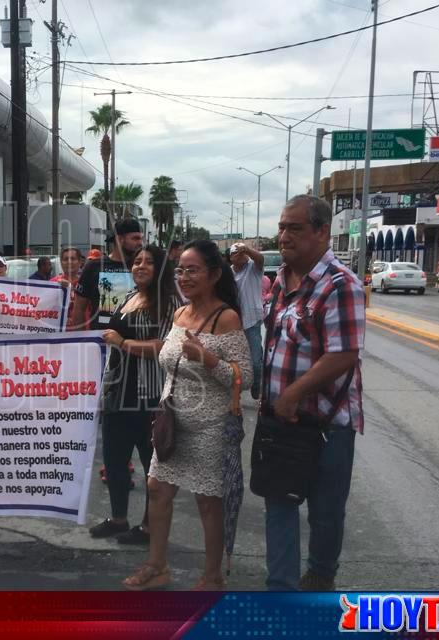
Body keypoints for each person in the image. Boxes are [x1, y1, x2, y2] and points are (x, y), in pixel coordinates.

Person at [123, 240, 252, 591]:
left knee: (208, 503)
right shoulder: (180, 314)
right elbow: (168, 361)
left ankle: (211, 578)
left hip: (210, 427)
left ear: (214, 274)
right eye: (180, 269)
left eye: (192, 269)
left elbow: (245, 377)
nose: (184, 276)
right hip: (172, 425)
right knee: (157, 489)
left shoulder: (226, 317)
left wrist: (208, 359)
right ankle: (156, 565)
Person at [263, 195, 364, 591]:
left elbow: (343, 355)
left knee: (324, 513)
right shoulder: (282, 280)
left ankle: (320, 578)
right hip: (281, 421)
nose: (284, 235)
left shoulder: (340, 285)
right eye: (282, 227)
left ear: (323, 232)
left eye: (295, 228)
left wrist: (292, 393)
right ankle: (281, 590)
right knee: (278, 503)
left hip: (326, 424)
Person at [91, 245, 181, 545]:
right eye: (137, 261)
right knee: (115, 461)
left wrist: (123, 342)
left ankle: (148, 527)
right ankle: (118, 518)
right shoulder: (128, 297)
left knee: (151, 468)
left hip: (149, 397)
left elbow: (167, 346)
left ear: (161, 269)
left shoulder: (170, 301)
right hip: (117, 392)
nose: (140, 266)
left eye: (149, 262)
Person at [71, 218, 143, 331]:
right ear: (119, 239)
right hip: (101, 341)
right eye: (135, 238)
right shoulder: (93, 267)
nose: (140, 243)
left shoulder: (141, 268)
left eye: (140, 238)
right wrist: (79, 341)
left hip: (134, 342)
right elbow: (79, 308)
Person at [228, 243, 266, 400]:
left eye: (243, 252)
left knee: (256, 361)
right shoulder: (228, 273)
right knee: (235, 362)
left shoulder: (253, 268)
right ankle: (234, 393)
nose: (241, 255)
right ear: (231, 257)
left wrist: (248, 250)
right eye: (237, 253)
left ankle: (256, 385)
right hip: (235, 323)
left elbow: (260, 259)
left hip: (252, 321)